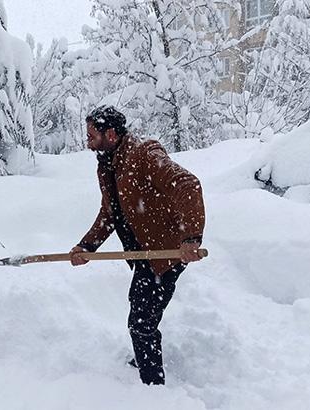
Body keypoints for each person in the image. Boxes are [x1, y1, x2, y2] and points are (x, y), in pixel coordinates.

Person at [70, 105, 206, 385]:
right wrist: (86, 246)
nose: (87, 142)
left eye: (91, 136)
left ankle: (152, 386)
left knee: (141, 322)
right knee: (142, 311)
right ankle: (145, 359)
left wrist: (191, 238)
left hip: (165, 253)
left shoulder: (144, 153)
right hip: (144, 253)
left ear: (110, 134)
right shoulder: (108, 164)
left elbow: (187, 184)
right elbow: (110, 213)